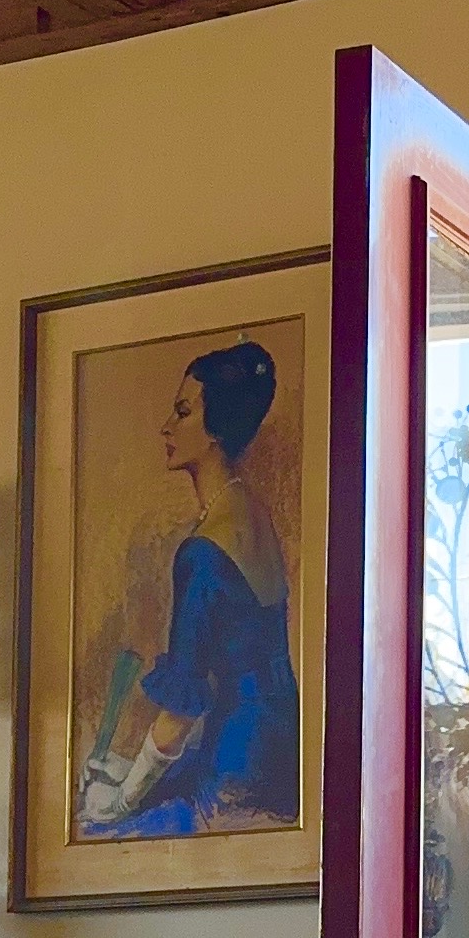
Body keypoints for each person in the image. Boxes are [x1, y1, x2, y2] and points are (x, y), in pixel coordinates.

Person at [79, 339, 302, 836]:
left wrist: (122, 800)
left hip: (238, 765)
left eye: (182, 412)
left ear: (218, 426)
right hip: (282, 738)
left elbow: (180, 712)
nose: (166, 426)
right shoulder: (249, 510)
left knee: (100, 827)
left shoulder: (202, 552)